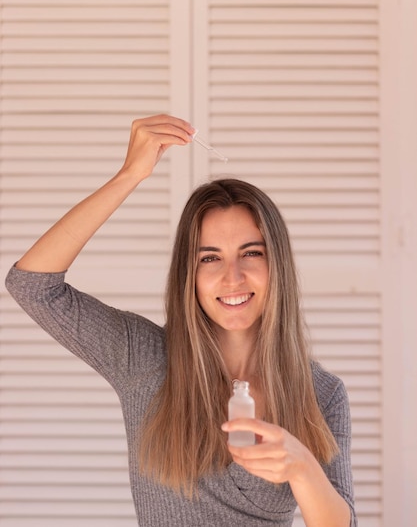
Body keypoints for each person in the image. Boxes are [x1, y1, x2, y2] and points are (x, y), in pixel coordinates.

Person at [5, 114, 357, 526]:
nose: (233, 277)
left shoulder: (322, 393)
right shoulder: (144, 359)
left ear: (277, 263)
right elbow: (32, 286)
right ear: (188, 274)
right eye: (210, 257)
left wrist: (302, 467)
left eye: (251, 252)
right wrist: (129, 175)